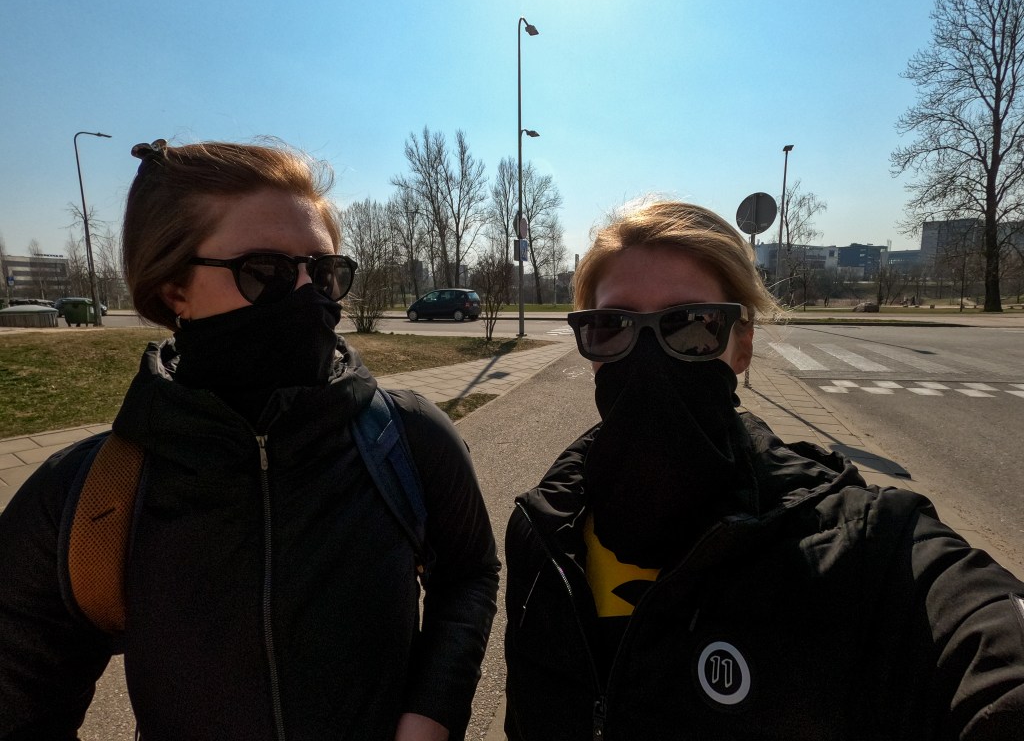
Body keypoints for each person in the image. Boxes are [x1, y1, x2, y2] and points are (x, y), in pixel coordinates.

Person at [0, 139, 500, 741]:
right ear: (173, 290)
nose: (308, 296)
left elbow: (468, 572)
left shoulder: (408, 440)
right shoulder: (88, 499)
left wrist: (433, 711)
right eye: (266, 272)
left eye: (324, 272)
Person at [503, 200, 1024, 739]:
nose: (650, 355)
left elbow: (977, 632)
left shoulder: (861, 547)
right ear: (590, 345)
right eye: (613, 324)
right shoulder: (542, 532)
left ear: (743, 345)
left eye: (693, 324)